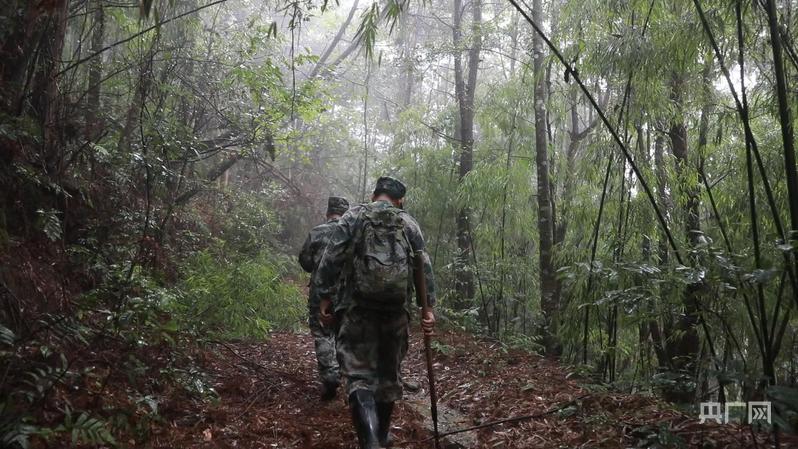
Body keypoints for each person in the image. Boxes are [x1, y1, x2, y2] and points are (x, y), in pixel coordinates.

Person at [314, 176, 436, 449]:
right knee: (388, 376)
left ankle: (369, 441)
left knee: (359, 376)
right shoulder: (408, 223)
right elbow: (423, 268)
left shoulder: (354, 216)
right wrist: (428, 309)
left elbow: (331, 256)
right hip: (396, 313)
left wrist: (324, 296)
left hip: (358, 310)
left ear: (374, 195)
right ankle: (381, 435)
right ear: (399, 199)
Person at [298, 195, 350, 401]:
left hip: (320, 293)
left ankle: (330, 375)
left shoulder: (317, 232)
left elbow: (305, 262)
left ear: (328, 212)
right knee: (344, 334)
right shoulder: (352, 234)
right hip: (347, 293)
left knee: (322, 333)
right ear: (347, 214)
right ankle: (347, 378)